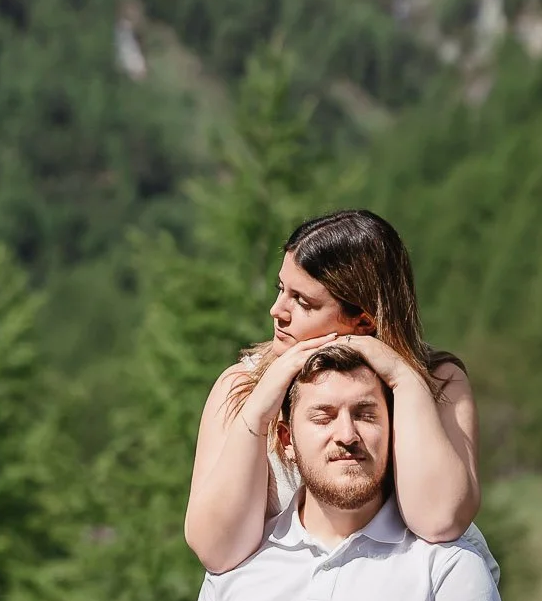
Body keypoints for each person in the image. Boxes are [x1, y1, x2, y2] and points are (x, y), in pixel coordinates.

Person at [185, 209, 485, 574]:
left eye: (303, 301)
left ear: (362, 321)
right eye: (282, 289)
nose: (277, 310)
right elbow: (216, 549)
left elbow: (441, 519)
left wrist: (403, 380)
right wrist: (262, 406)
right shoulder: (241, 387)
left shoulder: (438, 382)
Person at [184, 346, 507, 601]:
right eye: (323, 417)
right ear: (286, 440)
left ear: (396, 431)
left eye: (365, 415)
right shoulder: (239, 565)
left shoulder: (447, 568)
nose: (346, 435)